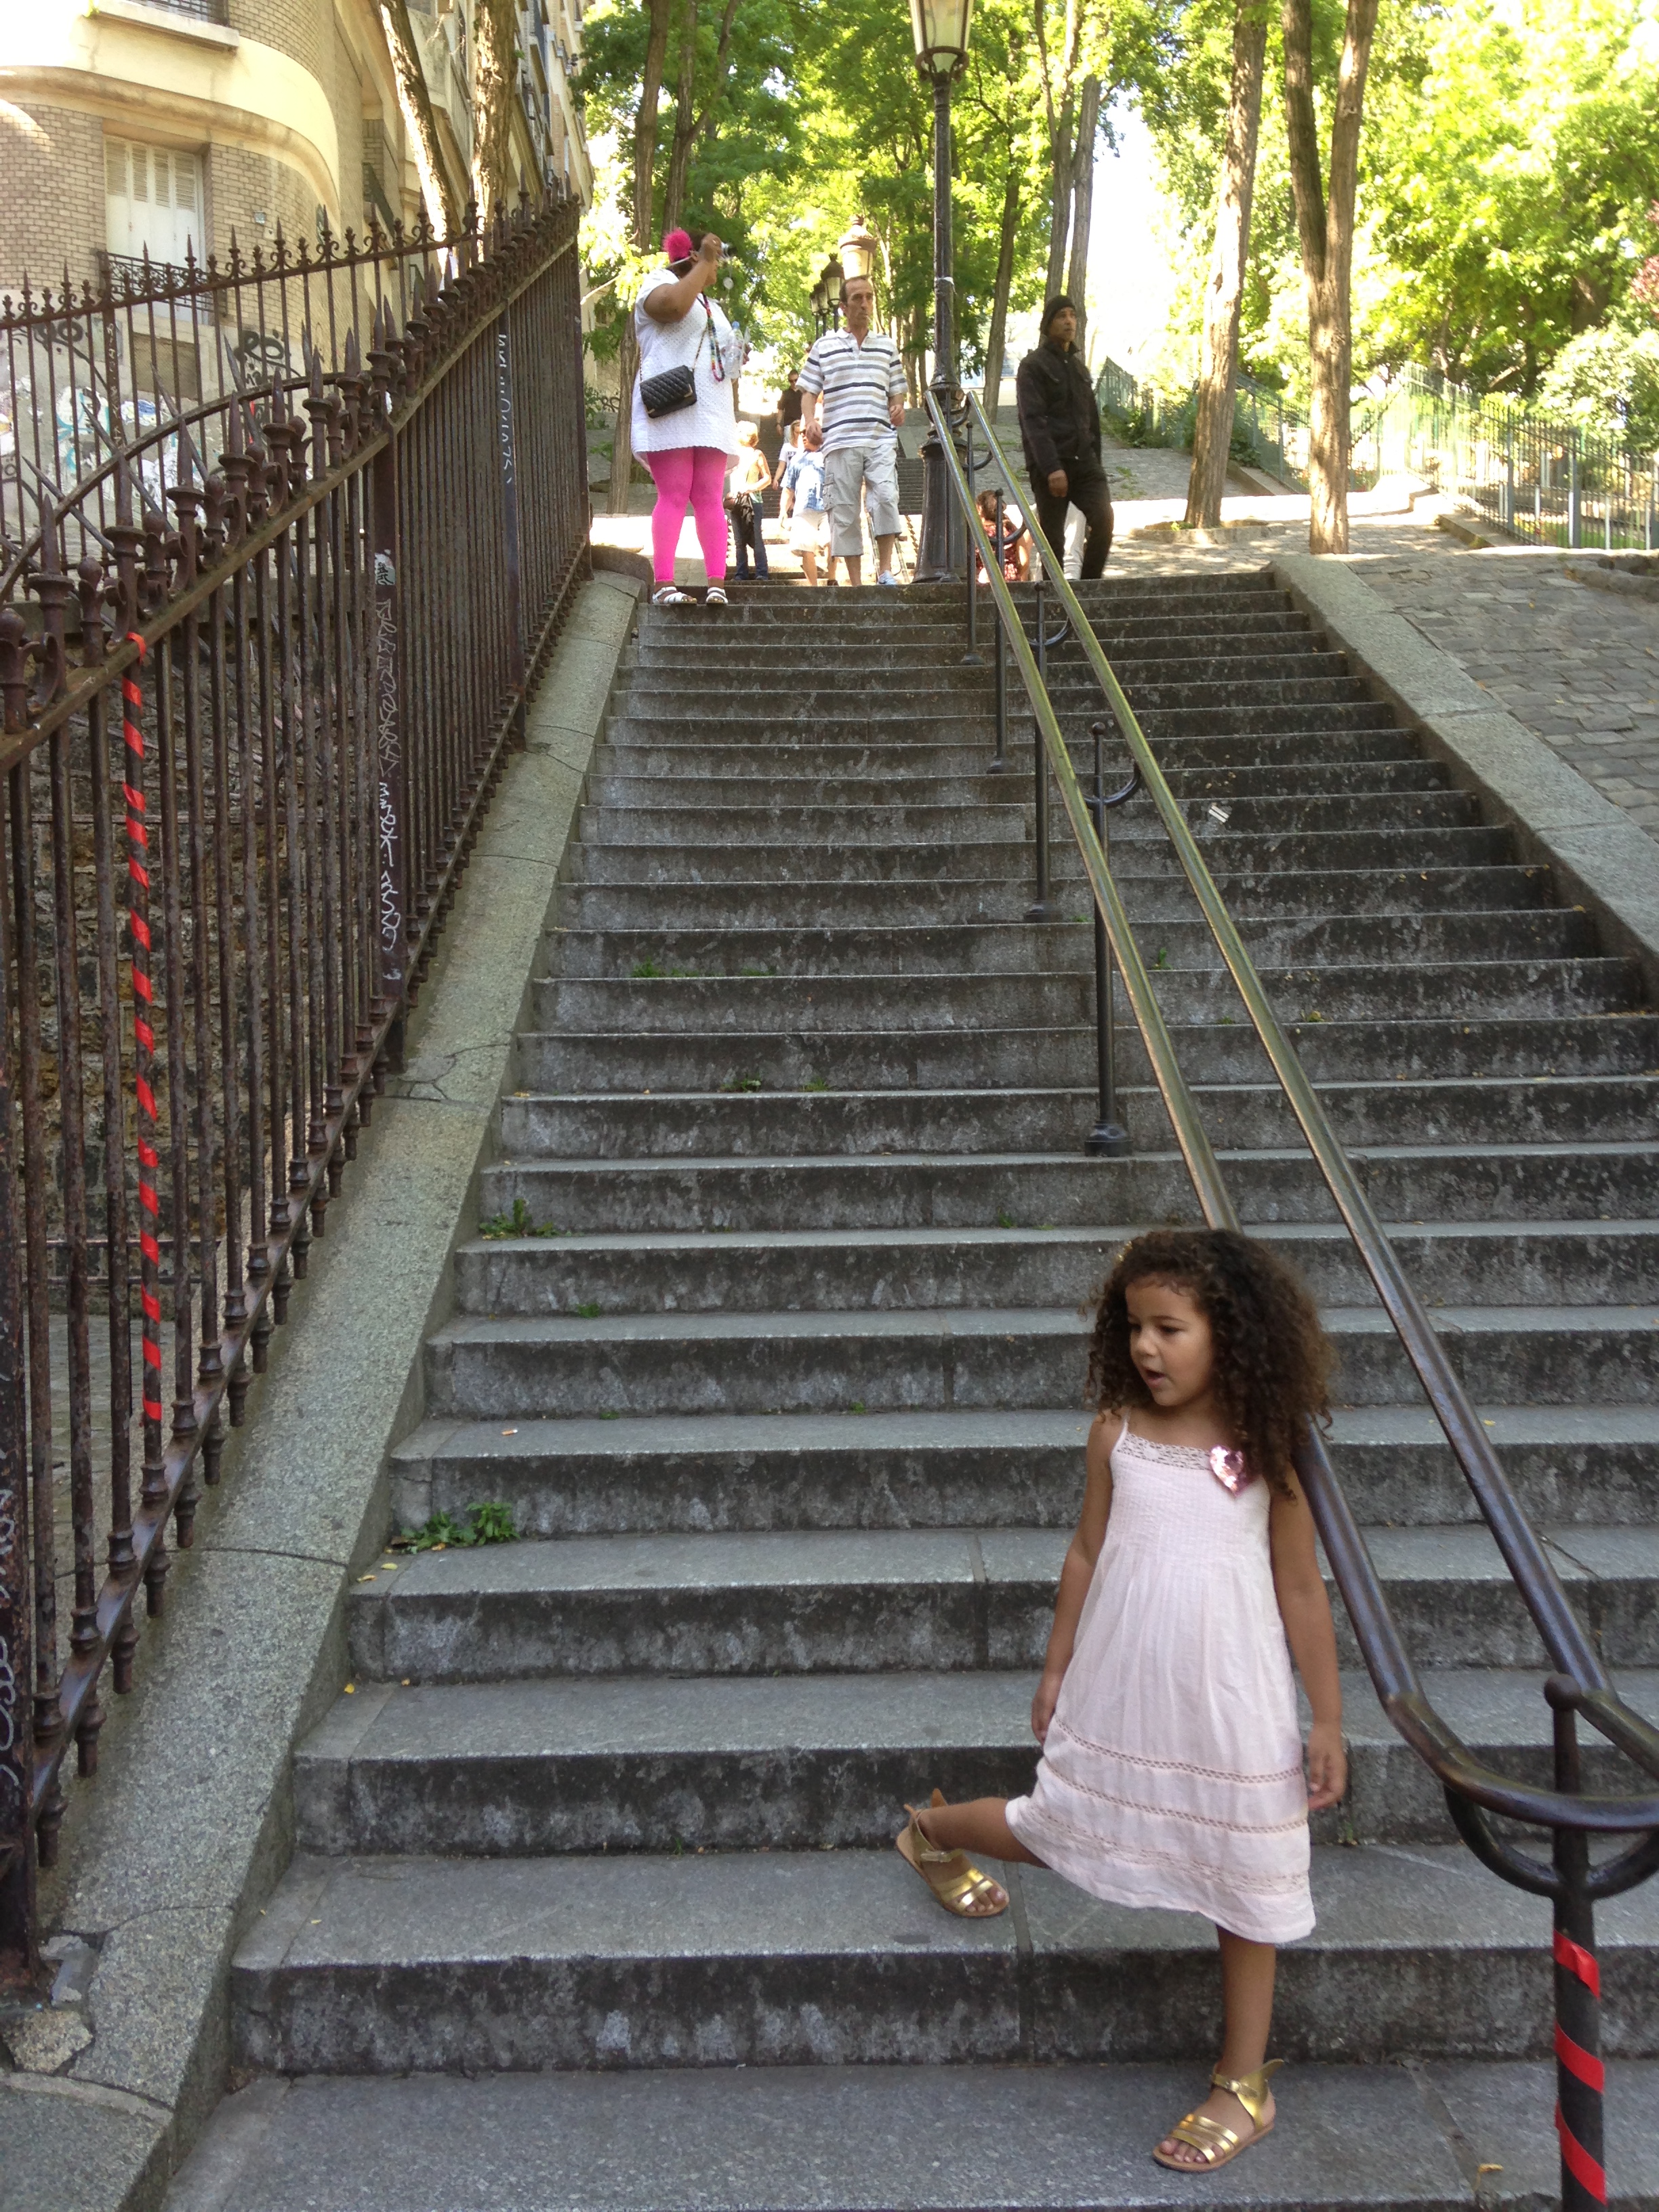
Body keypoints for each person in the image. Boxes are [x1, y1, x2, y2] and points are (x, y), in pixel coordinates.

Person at [893, 1227, 1347, 2175]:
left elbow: (1303, 1587)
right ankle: (930, 1830)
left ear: (1229, 1332)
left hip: (1233, 1700)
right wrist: (1056, 1670)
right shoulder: (1118, 1432)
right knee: (1054, 1826)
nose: (1146, 1347)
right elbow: (1088, 1552)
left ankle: (1244, 2085)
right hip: (1124, 1686)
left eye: (1169, 1329)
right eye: (1135, 1327)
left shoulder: (1267, 1445)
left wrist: (1330, 1719)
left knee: (1247, 1871)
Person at [632, 226, 744, 608]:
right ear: (694, 256)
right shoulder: (658, 282)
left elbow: (722, 360)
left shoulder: (714, 306)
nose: (718, 264)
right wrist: (705, 262)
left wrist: (736, 355)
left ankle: (716, 584)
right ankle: (664, 584)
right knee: (675, 492)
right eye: (712, 256)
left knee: (711, 496)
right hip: (671, 405)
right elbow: (674, 307)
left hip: (711, 412)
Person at [798, 272, 907, 588]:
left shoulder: (887, 347)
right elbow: (808, 392)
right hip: (839, 441)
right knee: (844, 510)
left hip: (880, 438)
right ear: (844, 307)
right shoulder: (824, 346)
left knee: (886, 497)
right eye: (857, 298)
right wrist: (811, 421)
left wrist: (898, 408)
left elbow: (897, 392)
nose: (865, 303)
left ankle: (885, 571)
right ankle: (857, 585)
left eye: (869, 297)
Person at [1016, 295, 1113, 579]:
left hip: (1084, 463)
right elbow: (1033, 421)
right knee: (1053, 544)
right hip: (1050, 465)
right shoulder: (1033, 366)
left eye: (1072, 315)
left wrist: (1096, 463)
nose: (1069, 321)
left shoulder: (1080, 369)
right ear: (1048, 324)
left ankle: (1089, 589)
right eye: (1062, 316)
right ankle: (1053, 599)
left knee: (1104, 521)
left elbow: (1093, 424)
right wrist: (1051, 468)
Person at [779, 421, 830, 586]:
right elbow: (788, 488)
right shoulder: (796, 460)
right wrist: (783, 512)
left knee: (831, 542)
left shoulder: (829, 456)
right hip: (803, 508)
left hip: (828, 507)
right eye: (801, 433)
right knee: (806, 548)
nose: (802, 435)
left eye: (806, 432)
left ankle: (832, 579)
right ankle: (813, 588)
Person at [726, 422, 772, 581]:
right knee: (739, 540)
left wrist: (751, 488)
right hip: (736, 502)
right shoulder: (732, 454)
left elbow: (767, 478)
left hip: (753, 502)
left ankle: (762, 572)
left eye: (739, 431)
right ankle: (741, 573)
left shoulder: (757, 454)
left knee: (756, 537)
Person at [975, 489, 1030, 582]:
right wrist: (1015, 574)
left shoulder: (977, 531)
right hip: (1010, 578)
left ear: (980, 508)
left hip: (983, 578)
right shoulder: (1010, 528)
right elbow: (1024, 560)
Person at [775, 368, 804, 440]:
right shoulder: (786, 394)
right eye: (791, 381)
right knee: (788, 445)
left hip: (802, 424)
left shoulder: (804, 393)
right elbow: (781, 409)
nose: (794, 383)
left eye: (796, 380)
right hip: (789, 425)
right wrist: (778, 424)